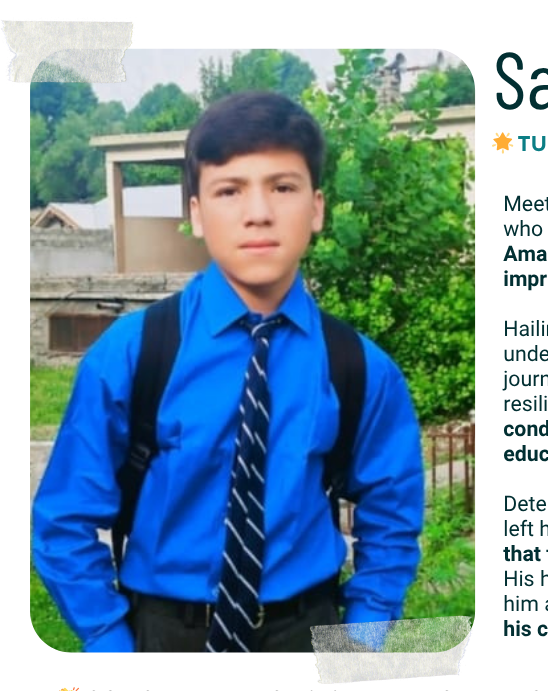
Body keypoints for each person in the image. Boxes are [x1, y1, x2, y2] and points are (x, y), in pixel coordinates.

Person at [31, 91, 424, 652]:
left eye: (282, 187)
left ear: (316, 207)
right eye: (229, 190)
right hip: (164, 640)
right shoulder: (133, 354)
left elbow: (392, 519)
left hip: (307, 634)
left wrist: (358, 643)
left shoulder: (360, 368)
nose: (258, 212)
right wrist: (107, 641)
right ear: (196, 212)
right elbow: (64, 519)